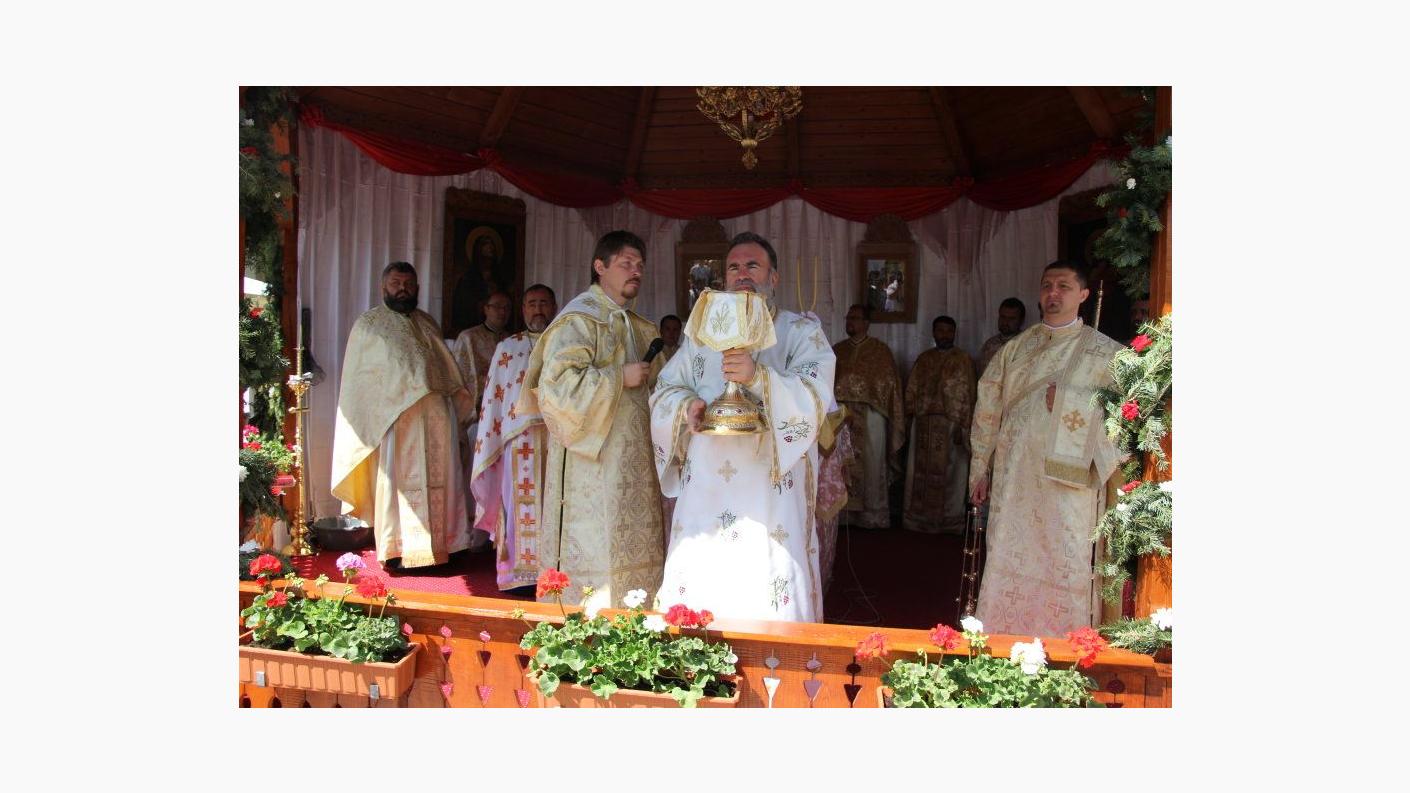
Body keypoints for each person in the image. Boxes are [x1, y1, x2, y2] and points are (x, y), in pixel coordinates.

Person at [650, 231, 836, 622]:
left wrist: (758, 377)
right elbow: (666, 387)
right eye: (734, 267)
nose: (742, 273)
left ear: (774, 277)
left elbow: (815, 396)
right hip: (707, 481)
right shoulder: (701, 336)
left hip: (771, 485)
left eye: (753, 265)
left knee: (767, 570)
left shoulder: (801, 332)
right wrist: (686, 408)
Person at [968, 260, 1125, 637]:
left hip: (1070, 489)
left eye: (1064, 286)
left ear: (1083, 294)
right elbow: (987, 409)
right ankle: (1003, 638)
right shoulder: (1015, 350)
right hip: (1016, 479)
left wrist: (1074, 403)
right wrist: (980, 467)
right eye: (1047, 286)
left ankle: (1068, 642)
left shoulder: (1108, 354)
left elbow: (1127, 419)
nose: (1053, 293)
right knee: (1010, 554)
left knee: (1065, 559)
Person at [518, 231, 664, 613]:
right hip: (592, 465)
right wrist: (619, 377)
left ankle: (640, 624)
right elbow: (556, 390)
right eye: (626, 263)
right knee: (598, 548)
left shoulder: (640, 327)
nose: (636, 271)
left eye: (640, 265)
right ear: (600, 266)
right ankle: (590, 622)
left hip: (636, 464)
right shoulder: (578, 321)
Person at [330, 262, 476, 569]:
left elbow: (444, 368)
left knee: (444, 477)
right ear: (383, 287)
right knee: (398, 482)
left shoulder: (427, 323)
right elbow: (361, 382)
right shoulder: (369, 325)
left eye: (408, 284)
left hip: (436, 417)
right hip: (397, 419)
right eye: (396, 283)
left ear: (417, 288)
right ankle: (398, 550)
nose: (402, 289)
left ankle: (447, 545)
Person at [469, 284, 557, 593]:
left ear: (554, 307)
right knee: (520, 506)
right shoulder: (508, 348)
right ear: (523, 310)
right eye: (532, 303)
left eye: (544, 303)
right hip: (519, 441)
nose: (538, 309)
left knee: (557, 504)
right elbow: (494, 400)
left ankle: (556, 575)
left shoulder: (565, 343)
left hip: (559, 439)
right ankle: (520, 577)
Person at [833, 304, 905, 529]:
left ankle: (872, 515)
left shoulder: (880, 351)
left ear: (866, 323)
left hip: (872, 415)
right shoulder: (837, 351)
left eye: (855, 318)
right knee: (840, 461)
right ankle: (843, 513)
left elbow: (890, 388)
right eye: (848, 317)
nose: (850, 322)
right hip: (841, 416)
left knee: (872, 461)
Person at [902, 315, 976, 534]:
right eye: (940, 330)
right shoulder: (924, 359)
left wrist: (965, 426)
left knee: (952, 472)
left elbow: (970, 394)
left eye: (949, 331)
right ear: (933, 333)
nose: (945, 335)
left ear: (955, 333)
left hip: (952, 425)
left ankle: (950, 521)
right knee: (920, 473)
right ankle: (919, 519)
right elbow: (912, 390)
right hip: (923, 424)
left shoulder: (963, 360)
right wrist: (909, 418)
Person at [977, 297, 1027, 376]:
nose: (1005, 322)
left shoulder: (1027, 345)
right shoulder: (989, 345)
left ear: (1021, 320)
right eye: (1003, 317)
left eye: (1011, 318)